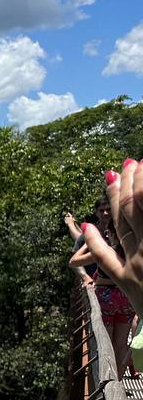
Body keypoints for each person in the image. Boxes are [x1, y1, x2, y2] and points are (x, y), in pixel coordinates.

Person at [81, 162, 143, 380]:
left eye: (108, 209)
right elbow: (77, 259)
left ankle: (111, 384)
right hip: (120, 294)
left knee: (111, 344)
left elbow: (75, 258)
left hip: (118, 294)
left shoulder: (104, 235)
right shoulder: (101, 233)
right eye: (102, 209)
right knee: (113, 343)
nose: (106, 212)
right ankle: (113, 383)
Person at [71, 192, 138, 377]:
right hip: (126, 296)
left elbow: (73, 261)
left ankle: (109, 382)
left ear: (109, 233)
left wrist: (90, 243)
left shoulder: (102, 251)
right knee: (122, 343)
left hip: (106, 297)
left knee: (105, 343)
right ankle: (119, 379)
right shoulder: (130, 249)